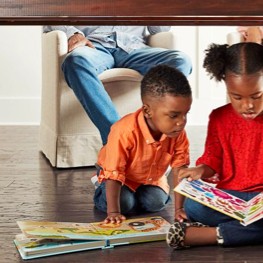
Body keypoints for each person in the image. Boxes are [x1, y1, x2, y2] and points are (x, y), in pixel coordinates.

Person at [166, 42, 263, 249]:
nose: (248, 105)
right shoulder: (219, 117)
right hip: (231, 197)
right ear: (226, 86)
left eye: (257, 96)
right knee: (194, 206)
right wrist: (200, 170)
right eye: (237, 97)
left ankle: (211, 234)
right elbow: (213, 159)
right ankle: (244, 229)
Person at [43, 26, 192, 145]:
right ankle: (116, 139)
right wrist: (72, 33)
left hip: (134, 48)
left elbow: (159, 29)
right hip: (93, 46)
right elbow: (49, 11)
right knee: (76, 61)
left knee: (181, 61)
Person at [92, 64, 192, 224]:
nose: (181, 122)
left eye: (185, 114)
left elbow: (180, 170)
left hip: (149, 178)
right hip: (116, 175)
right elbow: (115, 172)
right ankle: (100, 189)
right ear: (147, 111)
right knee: (124, 204)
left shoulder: (177, 133)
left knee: (156, 203)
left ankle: (134, 196)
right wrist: (113, 212)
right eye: (174, 115)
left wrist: (180, 209)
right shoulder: (124, 131)